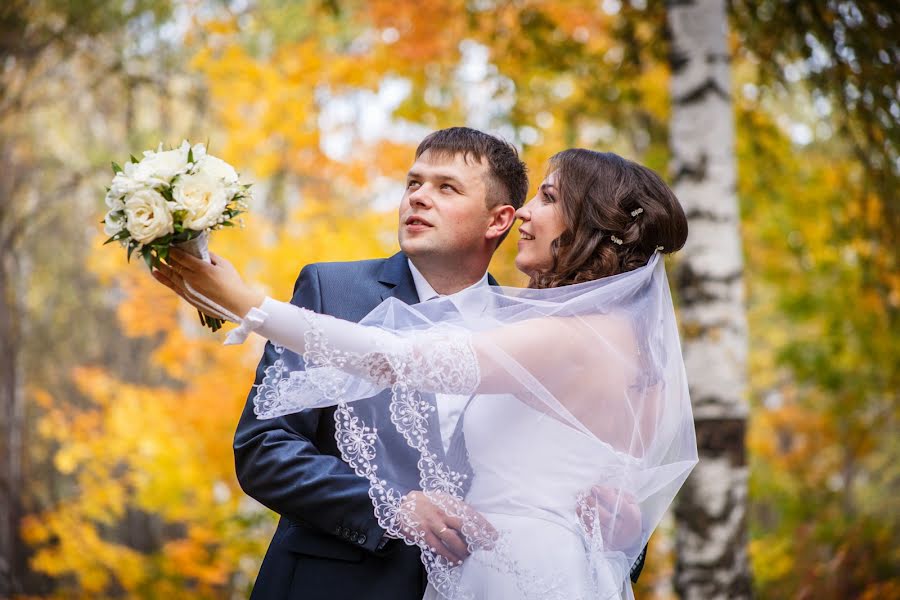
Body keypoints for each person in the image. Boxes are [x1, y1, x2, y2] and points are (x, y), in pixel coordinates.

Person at [157, 147, 680, 599]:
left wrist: (249, 304)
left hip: (517, 575)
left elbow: (395, 358)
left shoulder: (568, 336)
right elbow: (264, 448)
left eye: (547, 198)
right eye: (413, 183)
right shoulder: (332, 290)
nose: (526, 212)